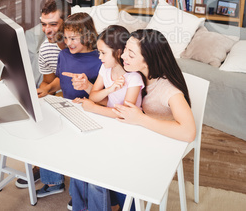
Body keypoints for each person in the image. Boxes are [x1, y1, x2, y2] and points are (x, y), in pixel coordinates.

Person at [70, 28, 196, 211]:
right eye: (124, 51)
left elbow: (188, 132)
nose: (123, 57)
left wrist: (141, 119)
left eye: (130, 53)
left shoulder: (168, 90)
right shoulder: (142, 77)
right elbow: (120, 106)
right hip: (137, 134)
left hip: (157, 147)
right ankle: (108, 202)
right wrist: (90, 89)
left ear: (149, 57)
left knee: (94, 169)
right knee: (85, 157)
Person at [36, 12, 102, 201]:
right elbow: (60, 79)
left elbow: (103, 95)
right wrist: (48, 88)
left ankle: (78, 194)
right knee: (46, 131)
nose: (68, 42)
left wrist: (86, 87)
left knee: (78, 152)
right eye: (65, 38)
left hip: (88, 112)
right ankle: (53, 182)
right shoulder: (64, 54)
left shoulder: (99, 59)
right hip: (65, 106)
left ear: (87, 36)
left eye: (73, 38)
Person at [16, 0, 71, 189]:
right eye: (43, 24)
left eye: (54, 24)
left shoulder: (83, 44)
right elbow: (50, 83)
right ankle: (47, 169)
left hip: (88, 96)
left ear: (68, 21)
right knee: (42, 116)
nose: (47, 30)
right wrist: (46, 89)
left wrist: (51, 88)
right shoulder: (46, 49)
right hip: (62, 96)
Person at [74, 25, 144, 118]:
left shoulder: (134, 77)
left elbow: (125, 113)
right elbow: (93, 96)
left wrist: (93, 108)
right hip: (110, 117)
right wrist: (110, 89)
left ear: (118, 53)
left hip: (128, 123)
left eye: (103, 53)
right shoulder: (105, 68)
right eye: (99, 53)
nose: (100, 57)